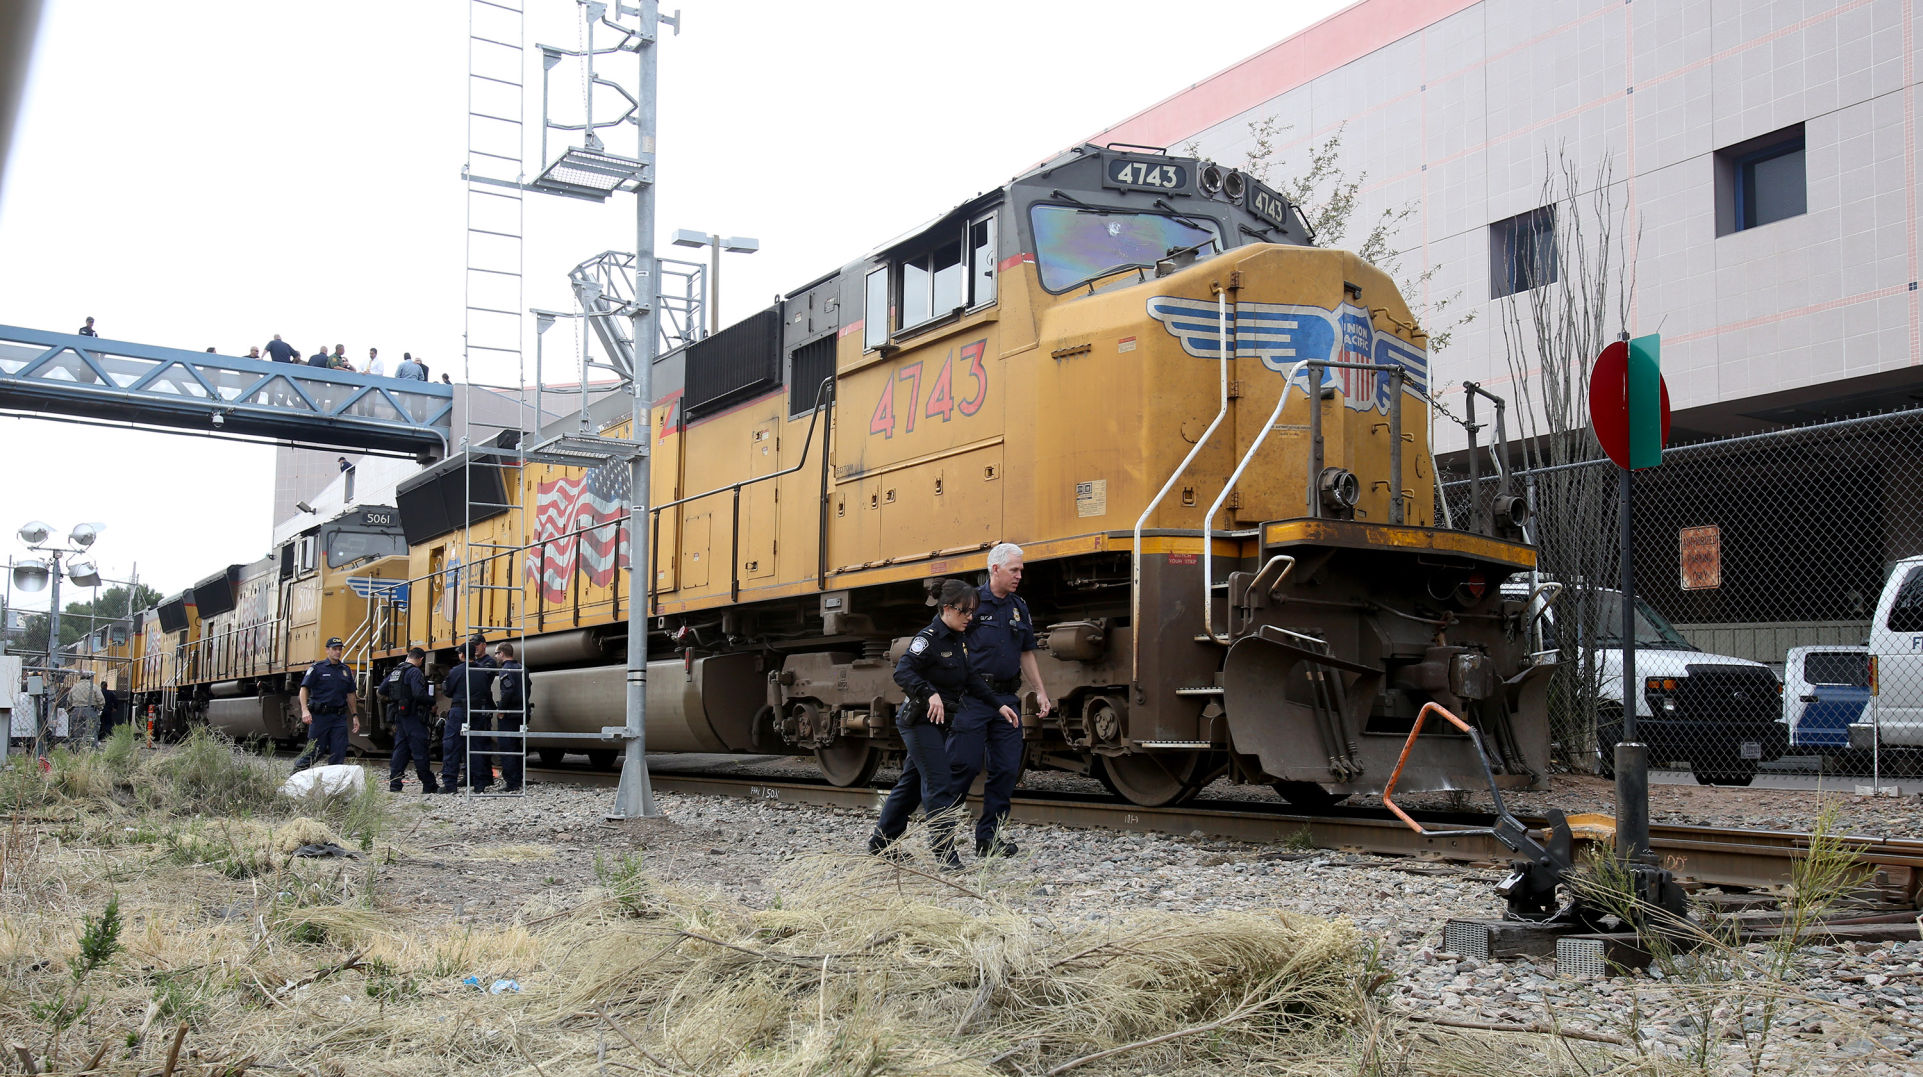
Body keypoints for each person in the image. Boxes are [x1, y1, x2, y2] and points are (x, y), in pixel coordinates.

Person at [871, 580, 1015, 868]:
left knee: (910, 786)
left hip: (939, 723)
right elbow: (903, 671)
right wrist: (930, 693)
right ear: (947, 609)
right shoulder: (929, 637)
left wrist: (998, 705)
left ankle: (881, 843)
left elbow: (972, 677)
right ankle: (945, 855)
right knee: (940, 784)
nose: (970, 618)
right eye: (965, 612)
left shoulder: (957, 638)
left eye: (973, 612)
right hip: (919, 721)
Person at [945, 542, 1052, 858]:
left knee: (1006, 769)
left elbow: (1026, 652)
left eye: (1021, 570)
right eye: (1014, 570)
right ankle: (942, 838)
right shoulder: (971, 604)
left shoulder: (1019, 606)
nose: (1020, 575)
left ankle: (988, 839)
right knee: (962, 767)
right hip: (974, 699)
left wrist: (1041, 691)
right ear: (995, 569)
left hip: (1007, 699)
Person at [295, 636, 361, 771]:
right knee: (315, 750)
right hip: (320, 717)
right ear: (327, 650)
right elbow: (304, 689)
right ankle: (295, 776)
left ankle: (334, 784)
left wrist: (355, 715)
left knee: (339, 751)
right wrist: (304, 710)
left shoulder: (345, 670)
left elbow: (350, 694)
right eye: (334, 649)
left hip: (338, 717)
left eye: (340, 649)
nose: (338, 652)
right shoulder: (317, 668)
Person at [439, 636, 496, 792]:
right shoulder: (482, 671)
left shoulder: (456, 671)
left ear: (462, 655)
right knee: (476, 747)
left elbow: (448, 691)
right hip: (477, 712)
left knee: (452, 746)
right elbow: (486, 692)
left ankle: (450, 785)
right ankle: (479, 785)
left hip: (459, 711)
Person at [386, 647, 437, 793]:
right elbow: (419, 693)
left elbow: (382, 690)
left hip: (400, 717)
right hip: (414, 717)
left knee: (400, 750)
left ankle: (395, 784)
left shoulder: (396, 671)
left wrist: (398, 699)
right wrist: (431, 702)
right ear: (421, 659)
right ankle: (428, 784)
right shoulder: (414, 672)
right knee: (419, 750)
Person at [491, 642, 527, 793]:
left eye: (496, 653)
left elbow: (508, 690)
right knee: (517, 747)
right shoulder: (523, 668)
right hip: (521, 712)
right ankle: (518, 779)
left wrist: (501, 709)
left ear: (501, 653)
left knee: (507, 747)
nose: (495, 656)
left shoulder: (505, 670)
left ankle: (511, 782)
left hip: (510, 714)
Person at [67, 673, 103, 746]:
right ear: (90, 678)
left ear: (80, 678)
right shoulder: (94, 686)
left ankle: (76, 750)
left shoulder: (75, 687)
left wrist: (71, 710)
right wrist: (99, 707)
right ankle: (91, 750)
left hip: (76, 711)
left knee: (76, 733)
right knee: (92, 732)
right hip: (90, 710)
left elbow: (69, 700)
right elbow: (101, 700)